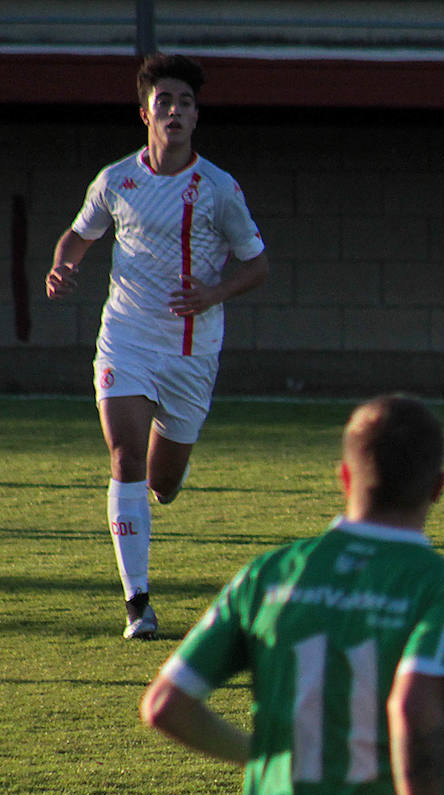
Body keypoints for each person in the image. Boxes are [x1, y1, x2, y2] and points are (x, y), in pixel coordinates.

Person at [141, 395, 444, 795]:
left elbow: (165, 706)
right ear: (439, 488)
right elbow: (412, 705)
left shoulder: (267, 576)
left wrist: (262, 752)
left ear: (345, 479)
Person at [45, 53, 269, 639]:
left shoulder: (218, 189)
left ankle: (164, 483)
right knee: (126, 458)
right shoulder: (116, 180)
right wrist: (63, 266)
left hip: (192, 351)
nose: (174, 110)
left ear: (196, 117)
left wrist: (213, 292)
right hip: (126, 337)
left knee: (162, 481)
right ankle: (138, 602)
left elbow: (258, 264)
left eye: (185, 102)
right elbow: (78, 235)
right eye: (164, 101)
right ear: (144, 112)